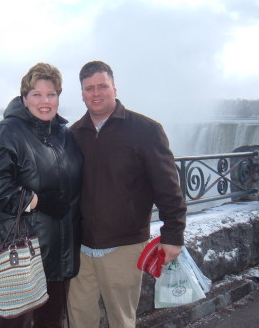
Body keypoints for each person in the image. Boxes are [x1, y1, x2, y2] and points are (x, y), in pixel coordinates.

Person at [67, 61, 187, 328]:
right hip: (81, 249)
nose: (96, 93)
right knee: (78, 319)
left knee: (121, 319)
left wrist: (173, 235)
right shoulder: (73, 134)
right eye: (89, 89)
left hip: (124, 246)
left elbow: (168, 188)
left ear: (114, 88)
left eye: (102, 86)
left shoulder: (145, 130)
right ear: (82, 94)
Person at [0, 63, 82, 328]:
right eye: (36, 94)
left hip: (58, 252)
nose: (45, 102)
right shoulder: (7, 131)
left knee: (51, 322)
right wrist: (37, 201)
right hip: (21, 253)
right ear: (24, 99)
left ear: (59, 97)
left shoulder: (65, 135)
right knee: (15, 324)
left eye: (51, 94)